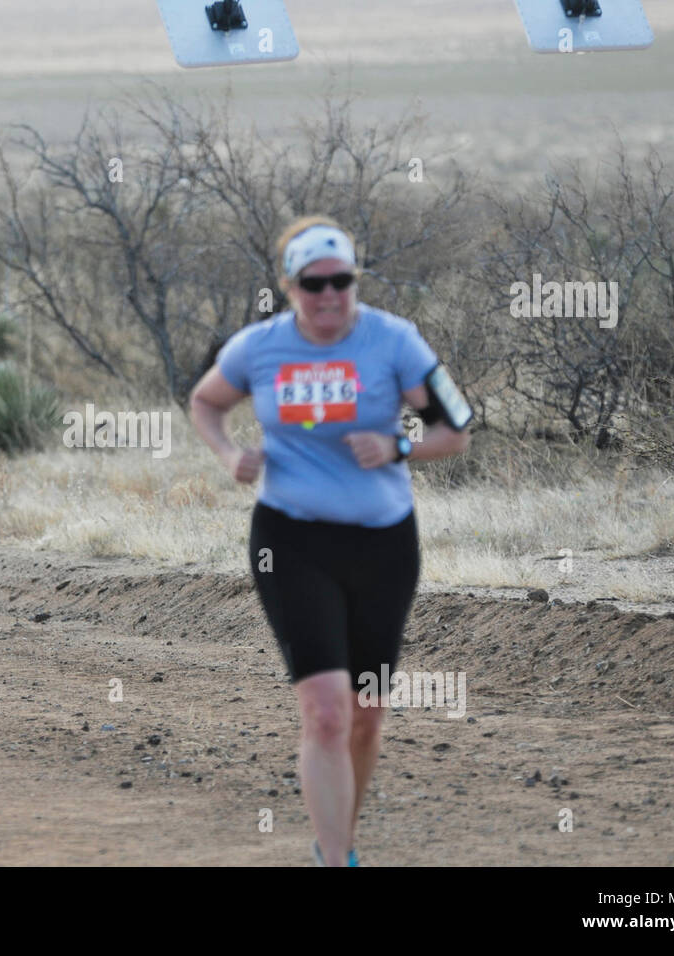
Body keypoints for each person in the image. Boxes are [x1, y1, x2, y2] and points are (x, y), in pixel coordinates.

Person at [189, 217, 472, 866]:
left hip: (383, 546)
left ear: (355, 280)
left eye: (341, 281)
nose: (328, 296)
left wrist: (398, 444)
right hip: (290, 540)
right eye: (313, 284)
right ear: (289, 286)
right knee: (325, 714)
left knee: (366, 713)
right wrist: (229, 452)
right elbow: (205, 403)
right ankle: (338, 859)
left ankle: (333, 840)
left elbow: (455, 431)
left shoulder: (393, 341)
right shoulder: (259, 347)